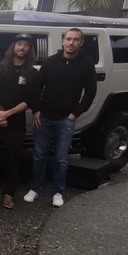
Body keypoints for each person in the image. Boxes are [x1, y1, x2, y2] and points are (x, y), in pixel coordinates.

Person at [24, 28, 97, 208]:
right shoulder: (50, 62)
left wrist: (76, 113)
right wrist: (36, 110)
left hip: (66, 119)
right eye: (68, 39)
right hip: (44, 117)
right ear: (63, 41)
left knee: (61, 158)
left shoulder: (87, 64)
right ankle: (35, 188)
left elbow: (90, 92)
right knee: (39, 155)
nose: (71, 43)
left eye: (76, 40)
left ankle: (58, 191)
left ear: (81, 42)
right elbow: (36, 87)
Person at [0, 33, 39, 209]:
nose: (22, 48)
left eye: (26, 45)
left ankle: (8, 193)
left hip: (16, 124)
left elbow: (30, 100)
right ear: (13, 46)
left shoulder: (32, 73)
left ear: (29, 49)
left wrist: (7, 114)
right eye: (19, 44)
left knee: (13, 159)